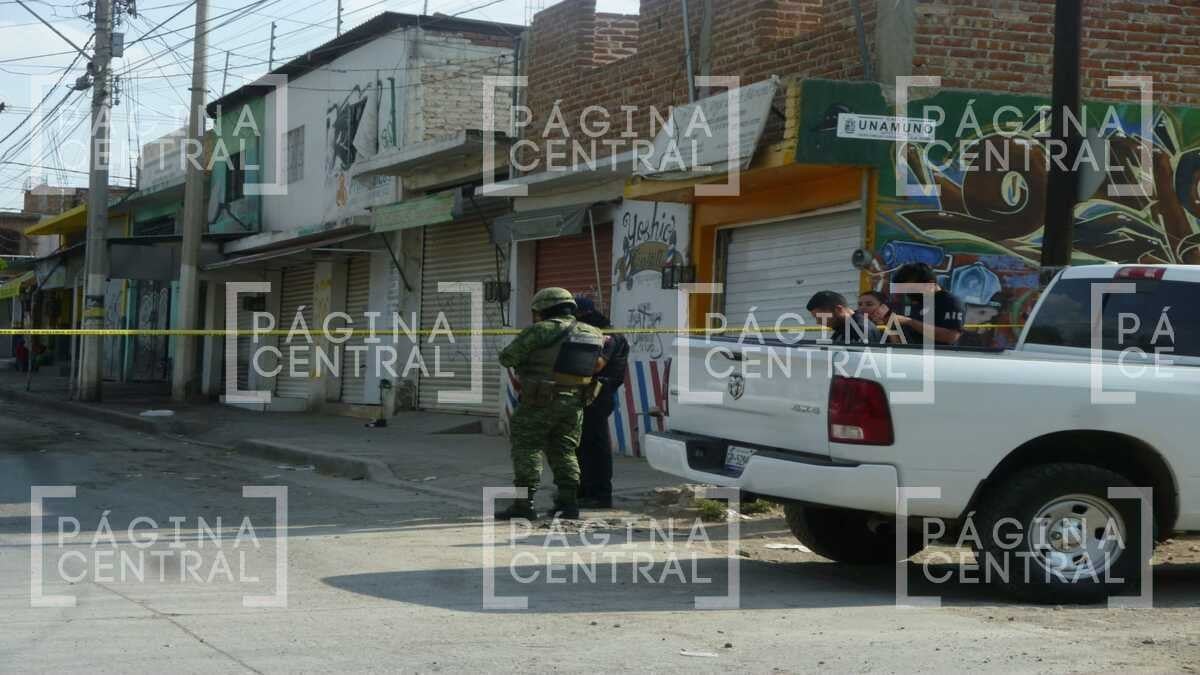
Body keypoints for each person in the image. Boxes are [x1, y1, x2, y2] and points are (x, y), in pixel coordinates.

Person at [497, 287, 606, 521]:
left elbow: (507, 357)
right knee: (565, 451)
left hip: (539, 400)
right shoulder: (593, 331)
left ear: (543, 309)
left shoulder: (540, 330)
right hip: (575, 401)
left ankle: (524, 505)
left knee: (527, 450)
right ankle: (568, 504)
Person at [573, 294, 629, 510]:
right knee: (583, 445)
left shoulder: (607, 334)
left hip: (598, 394)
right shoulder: (594, 331)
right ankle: (585, 490)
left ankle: (600, 494)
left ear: (582, 314)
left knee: (597, 446)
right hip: (587, 394)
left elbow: (597, 364)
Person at [889, 262, 965, 346]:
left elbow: (951, 336)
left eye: (912, 289)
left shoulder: (950, 302)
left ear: (929, 284)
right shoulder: (916, 301)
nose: (909, 293)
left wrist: (910, 322)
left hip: (940, 356)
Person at [805, 290, 882, 345]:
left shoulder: (859, 329)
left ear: (838, 309)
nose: (818, 322)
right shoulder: (844, 328)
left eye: (821, 318)